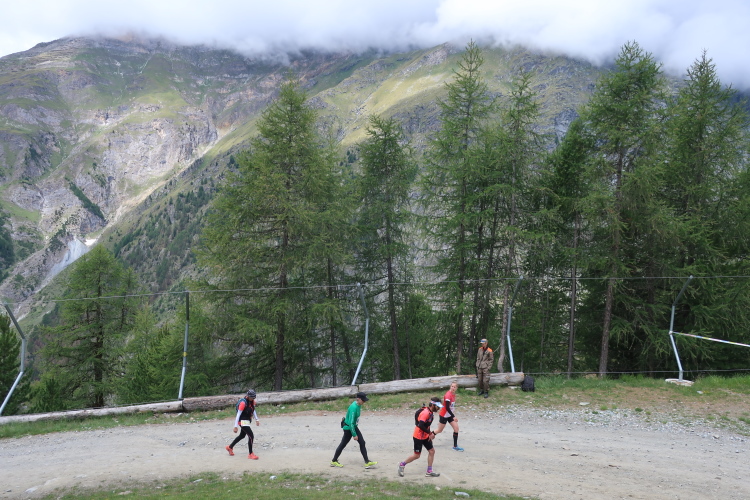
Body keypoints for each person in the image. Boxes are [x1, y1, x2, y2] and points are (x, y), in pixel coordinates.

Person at [330, 392, 378, 469]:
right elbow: (351, 423)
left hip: (353, 427)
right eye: (363, 400)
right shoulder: (354, 408)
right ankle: (334, 461)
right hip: (349, 428)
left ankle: (367, 462)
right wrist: (354, 434)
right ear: (358, 399)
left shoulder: (358, 405)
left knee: (362, 442)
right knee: (343, 444)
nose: (364, 402)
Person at [397, 396, 442, 477]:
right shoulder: (425, 413)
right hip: (418, 436)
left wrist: (428, 434)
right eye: (437, 406)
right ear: (432, 405)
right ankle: (402, 465)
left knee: (432, 451)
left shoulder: (431, 413)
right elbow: (421, 425)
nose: (439, 408)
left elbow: (427, 425)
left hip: (425, 436)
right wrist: (430, 433)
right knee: (417, 455)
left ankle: (429, 471)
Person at [226, 389, 261, 459]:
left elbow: (253, 410)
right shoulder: (243, 403)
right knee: (251, 436)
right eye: (252, 397)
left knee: (242, 435)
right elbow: (238, 415)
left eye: (254, 397)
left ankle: (230, 447)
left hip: (247, 421)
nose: (253, 399)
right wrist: (235, 426)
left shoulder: (252, 402)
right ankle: (250, 454)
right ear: (248, 396)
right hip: (242, 421)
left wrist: (257, 419)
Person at [434, 381, 463, 451]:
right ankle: (425, 439)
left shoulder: (453, 394)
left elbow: (451, 406)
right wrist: (453, 416)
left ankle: (455, 446)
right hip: (444, 415)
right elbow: (447, 407)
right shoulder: (448, 395)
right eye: (452, 386)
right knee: (439, 430)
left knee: (456, 428)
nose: (453, 388)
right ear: (450, 386)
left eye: (454, 387)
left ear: (456, 388)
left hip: (449, 415)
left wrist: (452, 415)